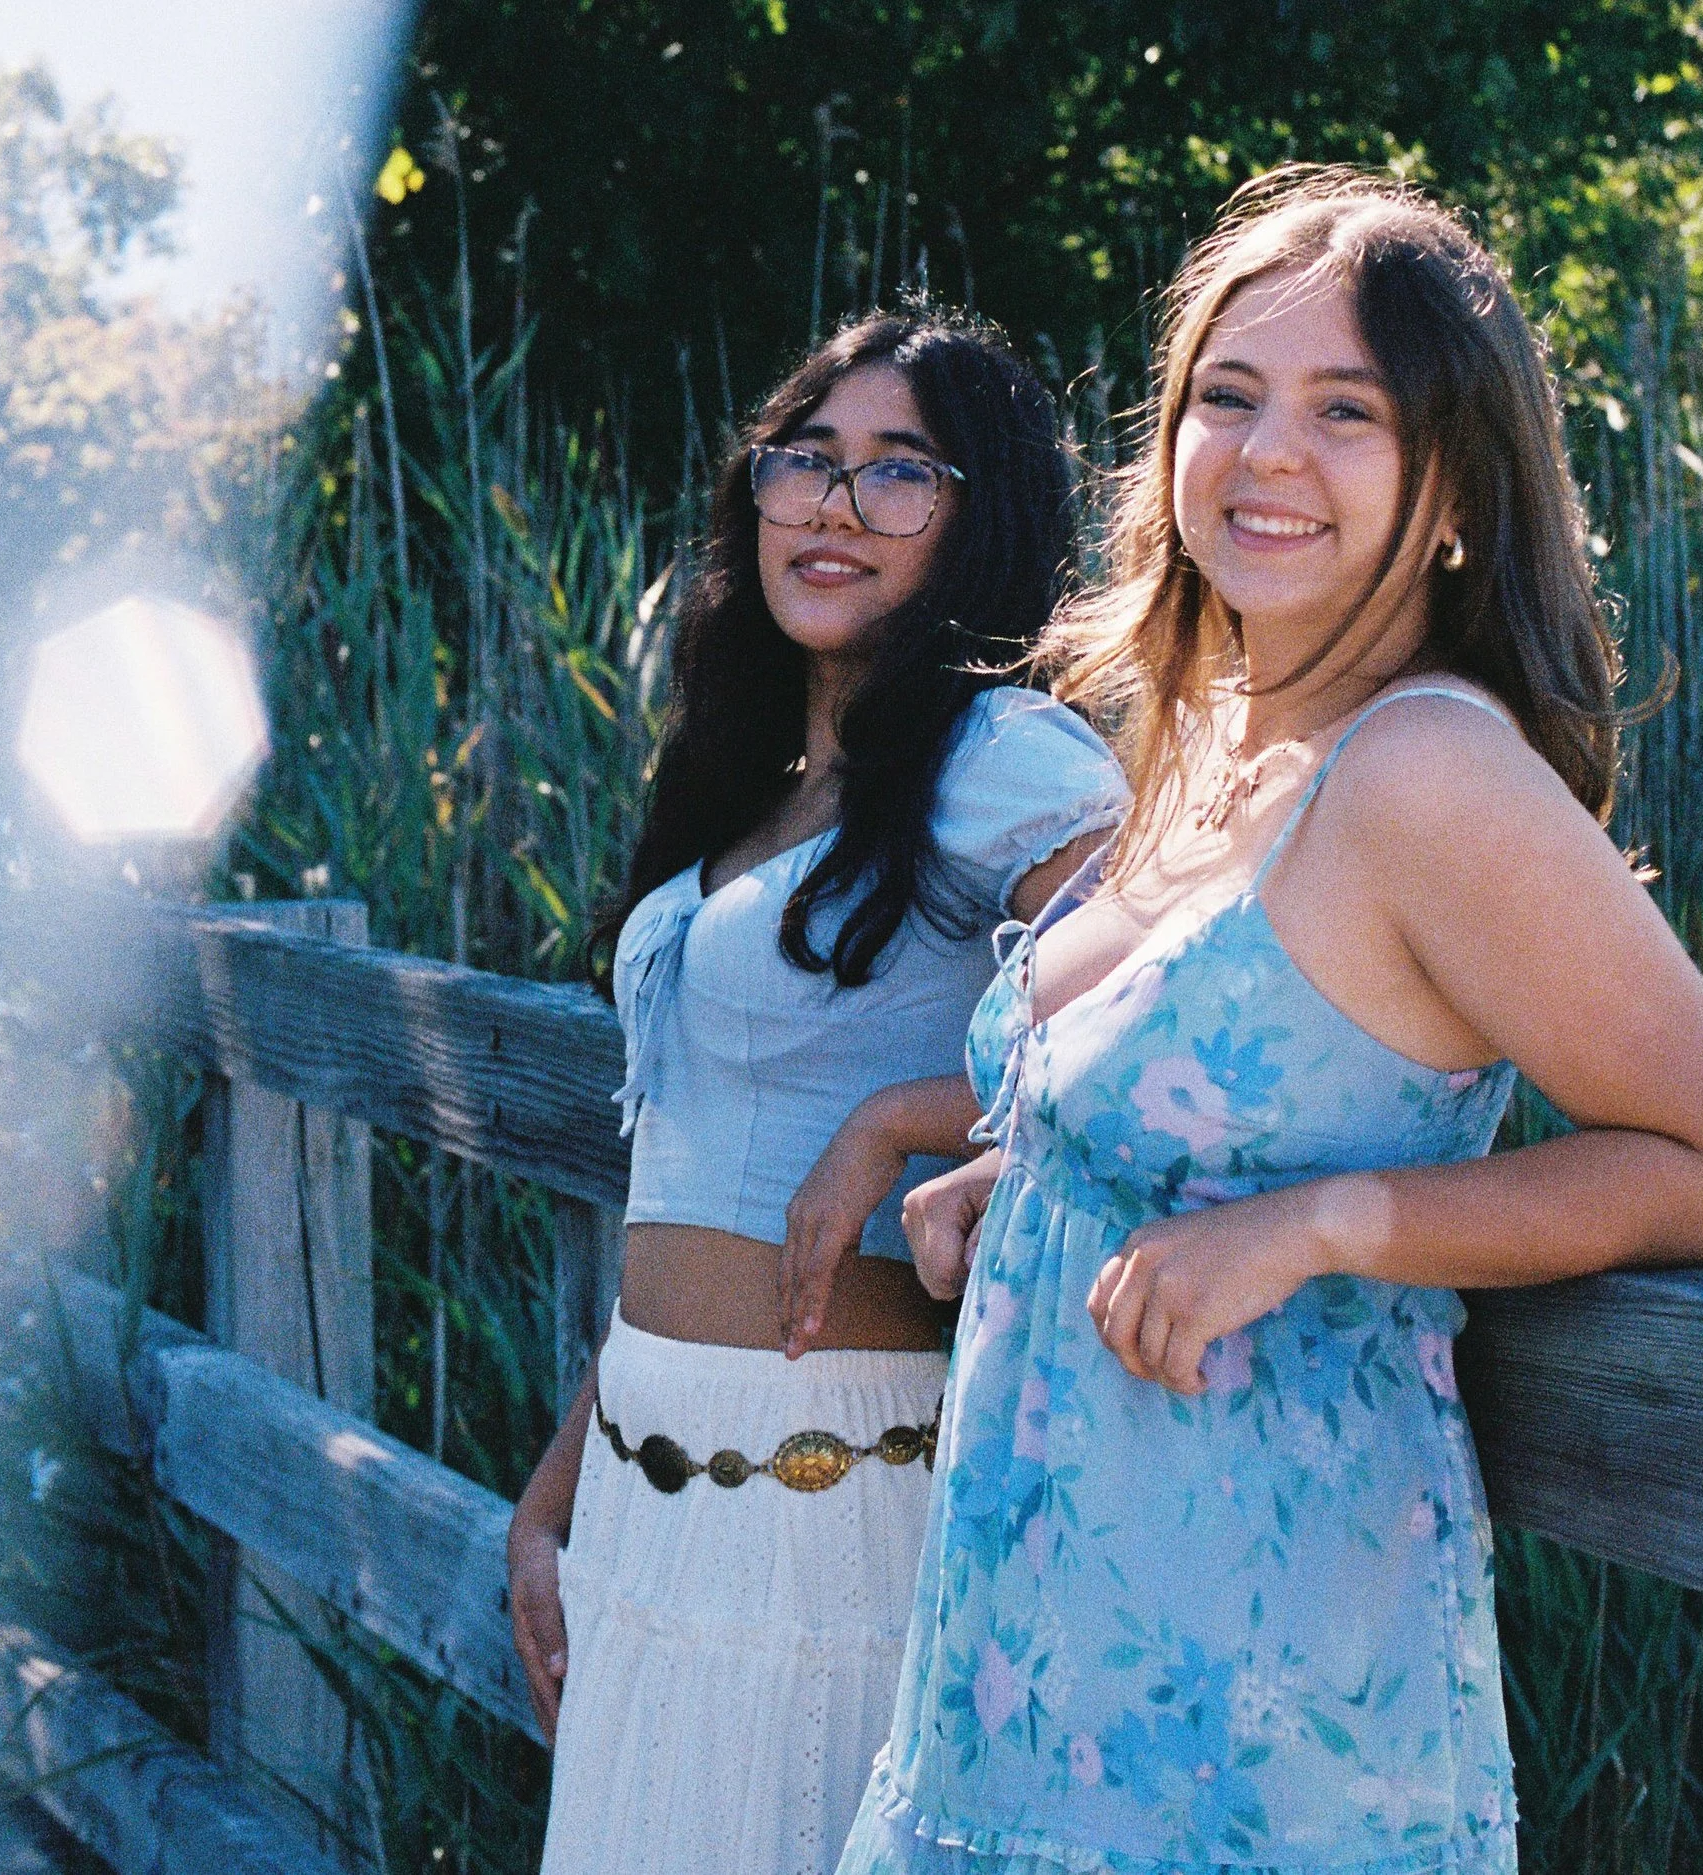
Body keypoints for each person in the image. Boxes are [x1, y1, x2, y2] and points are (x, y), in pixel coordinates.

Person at [833, 166, 1703, 1875]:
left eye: (1345, 410)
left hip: (1258, 1734)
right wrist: (1046, 1184)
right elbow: (1246, 1079)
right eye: (1228, 395)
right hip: (1022, 1686)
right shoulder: (1209, 738)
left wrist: (1325, 1224)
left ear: (1453, 487)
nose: (1267, 449)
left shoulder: (1429, 771)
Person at [509, 307, 1130, 1875]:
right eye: (809, 460)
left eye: (899, 473)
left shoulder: (1004, 754)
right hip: (650, 1483)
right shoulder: (743, 781)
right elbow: (689, 1180)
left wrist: (904, 1118)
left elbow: (1171, 1036)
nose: (836, 505)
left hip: (839, 1489)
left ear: (983, 518)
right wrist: (555, 1488)